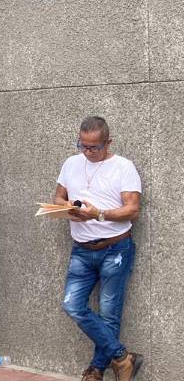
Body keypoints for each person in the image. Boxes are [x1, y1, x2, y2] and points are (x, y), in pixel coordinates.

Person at [53, 116, 142, 381]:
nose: (88, 152)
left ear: (108, 142)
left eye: (94, 147)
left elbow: (132, 210)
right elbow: (58, 196)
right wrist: (68, 210)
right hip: (81, 249)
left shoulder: (124, 167)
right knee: (71, 305)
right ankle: (123, 358)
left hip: (115, 248)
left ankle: (96, 370)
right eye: (83, 146)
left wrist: (99, 214)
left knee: (109, 313)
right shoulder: (71, 163)